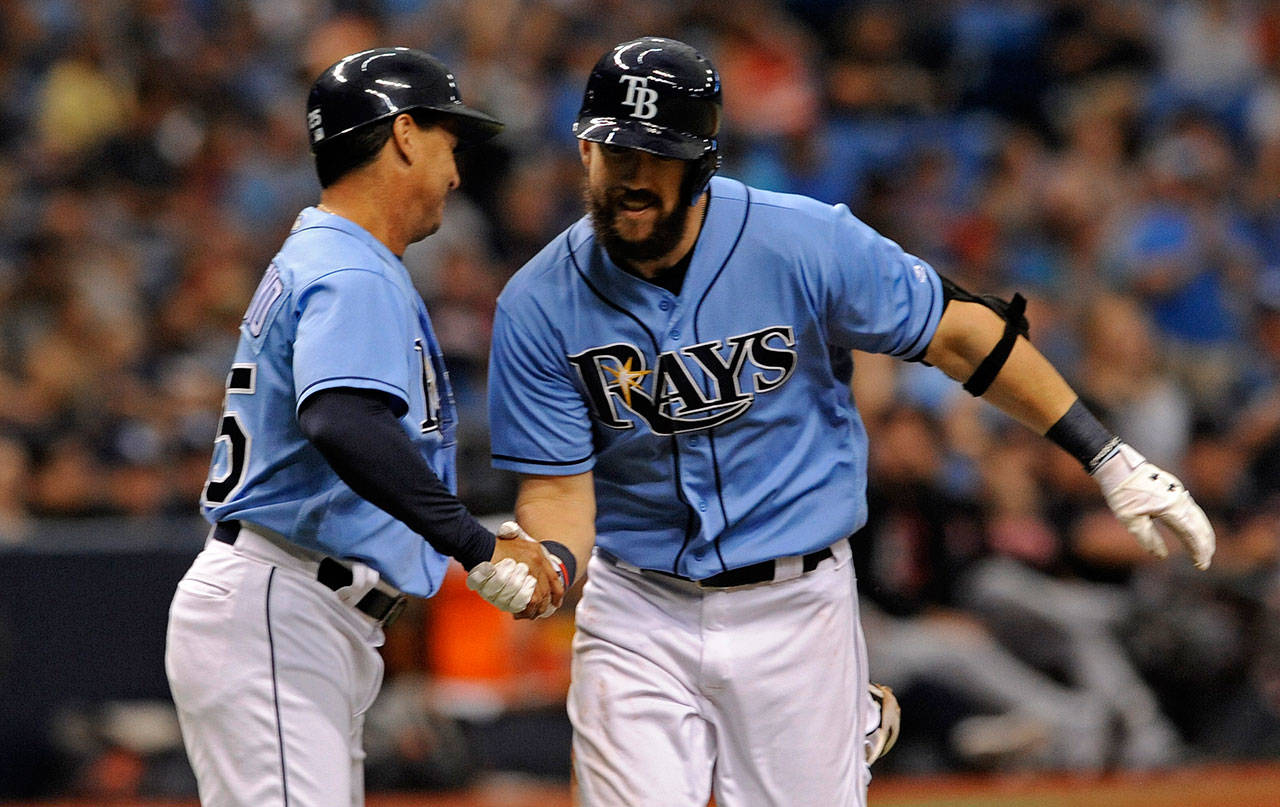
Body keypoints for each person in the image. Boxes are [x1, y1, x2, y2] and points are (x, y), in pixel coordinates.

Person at [475, 37, 1217, 806]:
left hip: (795, 606)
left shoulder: (800, 240)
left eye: (654, 155)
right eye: (612, 150)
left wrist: (1109, 458)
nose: (629, 176)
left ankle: (844, 711)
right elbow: (558, 492)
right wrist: (552, 561)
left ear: (700, 161)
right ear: (584, 149)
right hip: (639, 606)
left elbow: (964, 332)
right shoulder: (538, 304)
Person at [164, 47, 568, 807]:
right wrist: (477, 545)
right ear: (405, 135)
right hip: (283, 600)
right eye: (449, 144)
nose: (456, 171)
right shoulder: (350, 268)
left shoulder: (332, 254)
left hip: (295, 604)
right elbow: (341, 419)